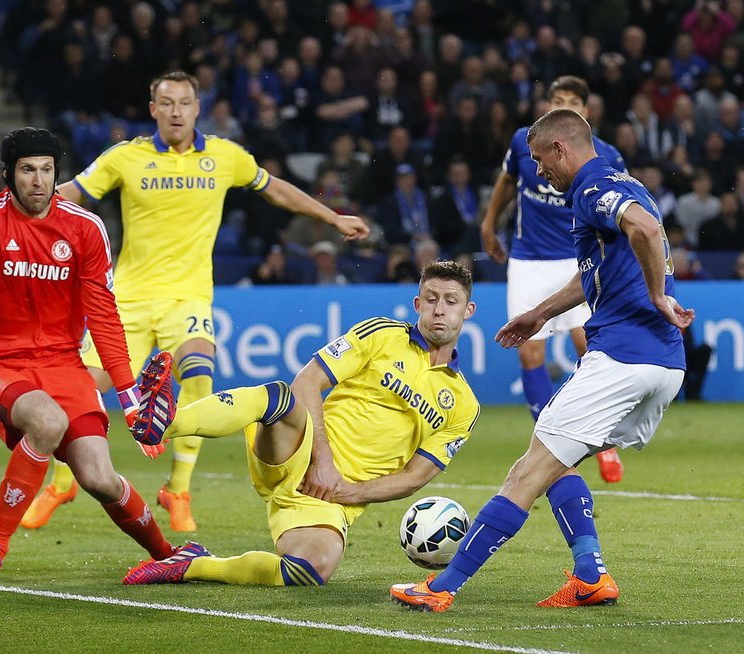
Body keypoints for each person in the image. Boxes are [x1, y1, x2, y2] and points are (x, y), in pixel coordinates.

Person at [29, 70, 369, 533]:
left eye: (184, 102)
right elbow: (69, 194)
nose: (175, 111)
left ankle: (178, 489)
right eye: (165, 102)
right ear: (153, 109)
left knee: (198, 377)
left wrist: (331, 216)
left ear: (196, 107)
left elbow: (276, 189)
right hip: (125, 300)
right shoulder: (125, 158)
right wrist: (17, 209)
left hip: (187, 298)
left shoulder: (224, 157)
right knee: (83, 390)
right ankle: (64, 479)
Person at [391, 108, 692, 612]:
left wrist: (659, 295)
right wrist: (538, 313)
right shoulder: (624, 182)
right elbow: (597, 269)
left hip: (621, 358)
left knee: (525, 473)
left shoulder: (594, 188)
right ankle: (590, 576)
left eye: (539, 159)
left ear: (561, 148)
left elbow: (643, 229)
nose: (538, 171)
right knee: (557, 462)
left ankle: (439, 588)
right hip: (665, 366)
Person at [0, 127, 186, 579]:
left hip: (64, 368)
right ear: (9, 174)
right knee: (46, 422)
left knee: (99, 478)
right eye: (27, 170)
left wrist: (128, 396)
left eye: (47, 170)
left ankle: (168, 556)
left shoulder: (85, 227)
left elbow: (103, 316)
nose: (39, 181)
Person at [121, 260, 481, 587]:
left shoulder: (464, 404)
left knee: (310, 571)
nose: (439, 310)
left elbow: (415, 477)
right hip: (299, 449)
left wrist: (346, 492)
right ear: (417, 305)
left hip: (327, 501)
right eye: (431, 299)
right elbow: (308, 382)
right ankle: (163, 423)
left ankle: (193, 565)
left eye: (450, 301)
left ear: (468, 311)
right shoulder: (382, 335)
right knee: (281, 398)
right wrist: (322, 461)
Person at [479, 75, 628, 484]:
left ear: (586, 109)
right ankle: (547, 443)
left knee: (589, 347)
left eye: (571, 101)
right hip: (528, 259)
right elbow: (507, 182)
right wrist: (490, 223)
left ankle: (602, 438)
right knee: (529, 353)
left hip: (579, 260)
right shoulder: (525, 143)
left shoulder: (607, 155)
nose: (564, 106)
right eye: (556, 100)